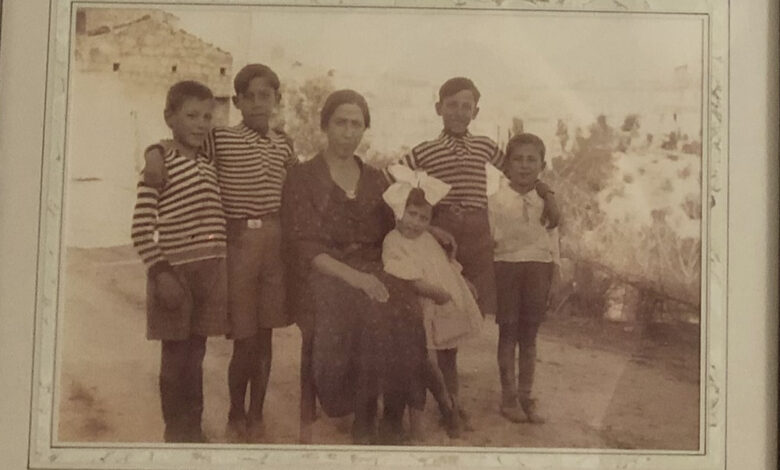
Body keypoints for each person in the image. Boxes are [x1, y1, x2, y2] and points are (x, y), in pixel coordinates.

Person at [282, 89, 451, 445]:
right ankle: (363, 415)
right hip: (325, 271)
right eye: (340, 123)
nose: (348, 132)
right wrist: (356, 278)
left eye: (356, 124)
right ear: (325, 126)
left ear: (364, 129)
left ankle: (393, 414)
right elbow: (304, 245)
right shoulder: (303, 176)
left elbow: (398, 223)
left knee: (405, 305)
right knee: (368, 308)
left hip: (374, 265)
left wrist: (431, 230)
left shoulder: (375, 178)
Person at [143, 64, 297, 443]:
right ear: (238, 101)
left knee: (266, 335)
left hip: (274, 243)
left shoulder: (284, 144)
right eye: (250, 96)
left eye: (266, 96)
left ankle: (256, 414)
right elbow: (178, 143)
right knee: (245, 336)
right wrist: (153, 153)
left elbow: (295, 186)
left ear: (277, 100)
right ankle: (235, 413)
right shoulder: (221, 138)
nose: (258, 103)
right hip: (238, 242)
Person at [395, 76, 560, 427]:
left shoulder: (484, 146)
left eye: (466, 106)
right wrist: (426, 224)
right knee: (445, 315)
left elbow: (520, 171)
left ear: (476, 111)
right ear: (438, 108)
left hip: (479, 237)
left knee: (478, 313)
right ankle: (450, 403)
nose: (459, 112)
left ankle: (511, 395)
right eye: (452, 105)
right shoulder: (425, 151)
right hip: (444, 236)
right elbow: (391, 176)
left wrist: (548, 193)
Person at [131, 80, 228, 443]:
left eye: (207, 117)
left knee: (196, 355)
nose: (201, 124)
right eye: (191, 115)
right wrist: (161, 274)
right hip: (175, 276)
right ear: (169, 117)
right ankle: (175, 434)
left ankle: (193, 431)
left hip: (210, 274)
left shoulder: (206, 161)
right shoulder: (161, 164)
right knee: (175, 359)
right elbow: (141, 229)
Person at [380, 166, 483, 440]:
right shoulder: (393, 241)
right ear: (399, 212)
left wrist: (463, 282)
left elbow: (443, 265)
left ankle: (453, 407)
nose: (415, 223)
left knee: (449, 355)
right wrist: (437, 293)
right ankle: (440, 407)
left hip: (443, 307)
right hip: (420, 308)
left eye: (423, 218)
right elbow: (410, 279)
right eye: (411, 214)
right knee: (426, 362)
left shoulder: (428, 238)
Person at [487, 133, 561, 424]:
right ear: (507, 165)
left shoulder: (546, 202)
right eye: (518, 159)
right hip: (506, 269)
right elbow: (489, 241)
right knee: (508, 335)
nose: (524, 165)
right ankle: (508, 398)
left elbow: (553, 241)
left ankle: (526, 396)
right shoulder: (495, 202)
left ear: (542, 165)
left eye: (532, 160)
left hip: (539, 269)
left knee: (529, 337)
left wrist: (555, 276)